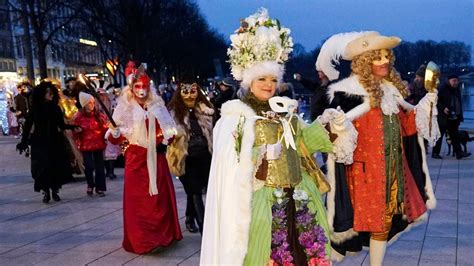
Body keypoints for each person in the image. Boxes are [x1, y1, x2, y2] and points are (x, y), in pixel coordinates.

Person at [201, 9, 345, 265]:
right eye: (261, 78)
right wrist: (261, 156)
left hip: (297, 195)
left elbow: (305, 142)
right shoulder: (236, 118)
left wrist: (329, 124)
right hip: (261, 203)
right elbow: (232, 166)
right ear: (248, 80)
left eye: (273, 79)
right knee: (266, 254)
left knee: (301, 253)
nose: (268, 84)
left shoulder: (286, 111)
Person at [317, 31, 439, 265]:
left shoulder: (391, 92)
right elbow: (330, 134)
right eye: (377, 57)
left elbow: (407, 127)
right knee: (374, 223)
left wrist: (426, 103)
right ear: (364, 62)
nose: (384, 61)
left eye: (386, 56)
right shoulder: (347, 93)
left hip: (393, 171)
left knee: (383, 225)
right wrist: (338, 128)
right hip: (366, 174)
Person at [107, 62, 182, 254]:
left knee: (159, 199)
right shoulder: (124, 108)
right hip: (136, 160)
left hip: (157, 158)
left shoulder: (157, 106)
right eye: (137, 86)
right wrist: (115, 132)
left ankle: (163, 236)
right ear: (131, 88)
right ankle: (143, 240)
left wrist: (164, 139)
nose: (141, 90)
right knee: (139, 202)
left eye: (144, 86)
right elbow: (114, 137)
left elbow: (170, 131)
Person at [16, 81, 75, 203]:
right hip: (40, 141)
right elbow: (28, 126)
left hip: (54, 140)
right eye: (48, 92)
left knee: (55, 165)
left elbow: (61, 125)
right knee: (42, 167)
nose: (51, 94)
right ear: (42, 94)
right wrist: (24, 141)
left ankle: (54, 190)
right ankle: (46, 191)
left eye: (52, 92)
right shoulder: (35, 109)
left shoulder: (56, 108)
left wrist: (73, 127)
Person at [166, 82, 214, 234]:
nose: (189, 95)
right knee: (194, 191)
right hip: (186, 156)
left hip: (205, 155)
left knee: (195, 190)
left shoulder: (206, 109)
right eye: (185, 91)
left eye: (193, 91)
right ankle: (204, 228)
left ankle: (189, 217)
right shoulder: (173, 112)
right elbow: (168, 134)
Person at [73, 92, 108, 196]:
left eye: (93, 102)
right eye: (89, 103)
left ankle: (100, 187)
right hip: (86, 145)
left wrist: (107, 131)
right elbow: (75, 130)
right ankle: (90, 184)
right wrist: (77, 133)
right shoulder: (79, 117)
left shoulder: (99, 116)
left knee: (100, 166)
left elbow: (104, 129)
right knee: (89, 166)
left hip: (98, 143)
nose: (92, 105)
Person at [433, 74, 470, 159]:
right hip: (443, 117)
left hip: (454, 116)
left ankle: (459, 153)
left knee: (455, 135)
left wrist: (459, 115)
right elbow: (436, 100)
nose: (455, 82)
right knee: (439, 135)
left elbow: (459, 102)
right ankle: (435, 153)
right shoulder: (442, 88)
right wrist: (443, 108)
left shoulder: (456, 89)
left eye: (457, 81)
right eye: (454, 81)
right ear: (449, 80)